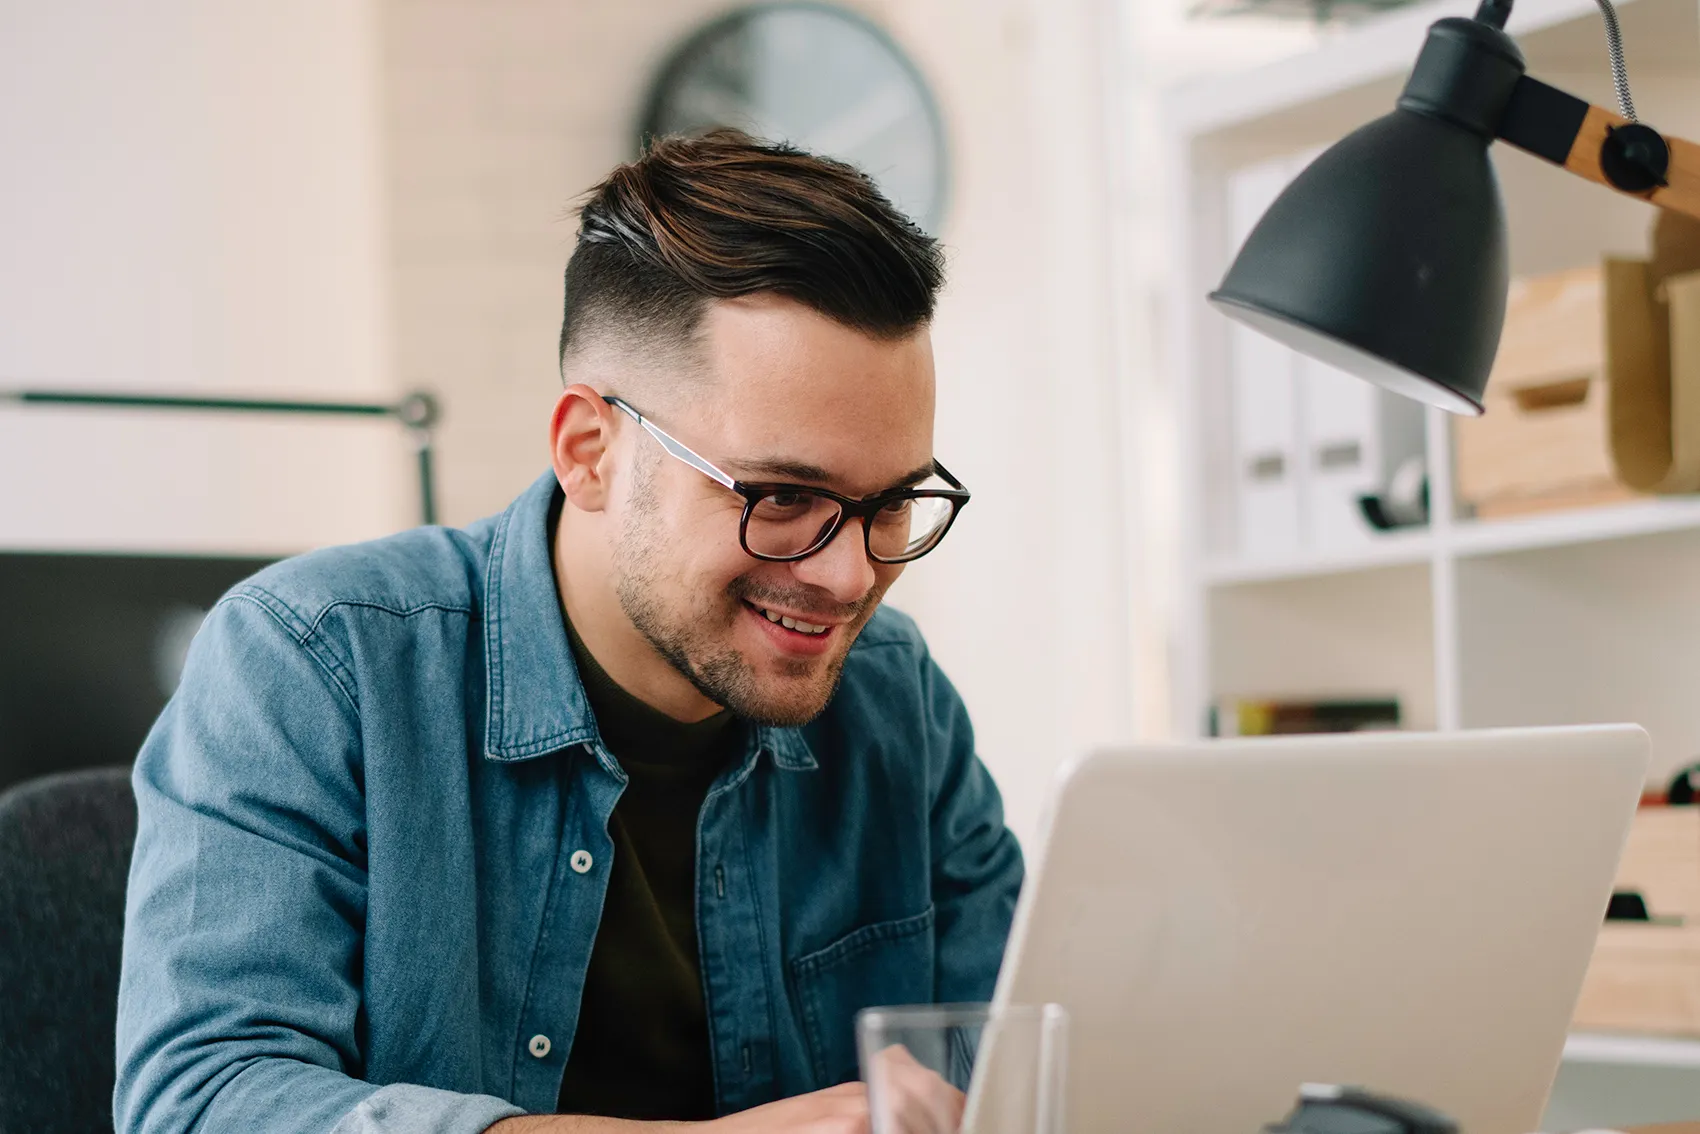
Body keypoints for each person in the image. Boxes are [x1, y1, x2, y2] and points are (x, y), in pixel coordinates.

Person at [114, 130, 1023, 1134]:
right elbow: (202, 1103)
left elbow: (1026, 1058)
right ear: (589, 451)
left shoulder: (896, 698)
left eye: (892, 502)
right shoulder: (312, 662)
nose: (850, 575)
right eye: (782, 496)